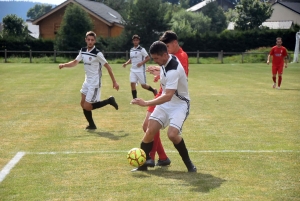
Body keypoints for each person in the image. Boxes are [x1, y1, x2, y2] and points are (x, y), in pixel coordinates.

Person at [131, 41, 197, 173]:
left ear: (164, 55)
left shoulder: (173, 69)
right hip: (166, 103)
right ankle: (142, 165)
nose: (154, 61)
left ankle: (189, 164)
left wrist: (146, 103)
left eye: (156, 58)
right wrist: (159, 71)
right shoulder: (169, 59)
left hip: (179, 104)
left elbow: (168, 95)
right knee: (150, 130)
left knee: (172, 135)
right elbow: (165, 72)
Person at [141, 31, 189, 169]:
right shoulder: (170, 56)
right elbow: (166, 70)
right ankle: (161, 158)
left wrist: (162, 74)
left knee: (150, 127)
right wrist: (159, 73)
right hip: (164, 93)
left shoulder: (181, 56)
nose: (165, 49)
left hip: (169, 96)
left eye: (167, 46)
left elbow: (178, 76)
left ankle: (152, 157)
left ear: (174, 43)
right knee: (148, 127)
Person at [59, 31, 119, 130]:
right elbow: (75, 62)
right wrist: (64, 65)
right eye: (88, 40)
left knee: (87, 105)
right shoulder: (83, 50)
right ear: (85, 40)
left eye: (92, 40)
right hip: (87, 81)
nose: (90, 42)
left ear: (95, 41)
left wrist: (114, 82)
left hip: (95, 83)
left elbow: (108, 67)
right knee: (82, 103)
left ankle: (109, 101)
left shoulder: (97, 53)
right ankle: (92, 125)